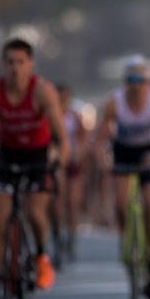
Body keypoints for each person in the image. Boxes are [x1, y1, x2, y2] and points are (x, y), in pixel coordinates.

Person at [0, 38, 69, 299]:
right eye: (10, 62)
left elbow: (60, 137)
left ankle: (39, 254)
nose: (15, 68)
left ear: (30, 64)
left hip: (38, 156)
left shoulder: (43, 92)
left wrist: (59, 161)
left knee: (35, 212)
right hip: (7, 156)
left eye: (21, 62)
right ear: (3, 64)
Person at [95, 55, 150, 299]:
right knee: (121, 203)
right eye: (131, 80)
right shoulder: (113, 102)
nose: (136, 86)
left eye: (141, 80)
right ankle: (124, 238)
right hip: (123, 151)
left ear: (149, 81)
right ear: (124, 81)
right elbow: (99, 140)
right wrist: (104, 161)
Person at [54, 84, 88, 259]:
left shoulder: (75, 116)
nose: (62, 102)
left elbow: (82, 139)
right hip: (58, 163)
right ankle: (58, 237)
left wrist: (79, 154)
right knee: (58, 202)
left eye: (64, 98)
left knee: (72, 203)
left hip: (73, 163)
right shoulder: (50, 115)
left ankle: (71, 239)